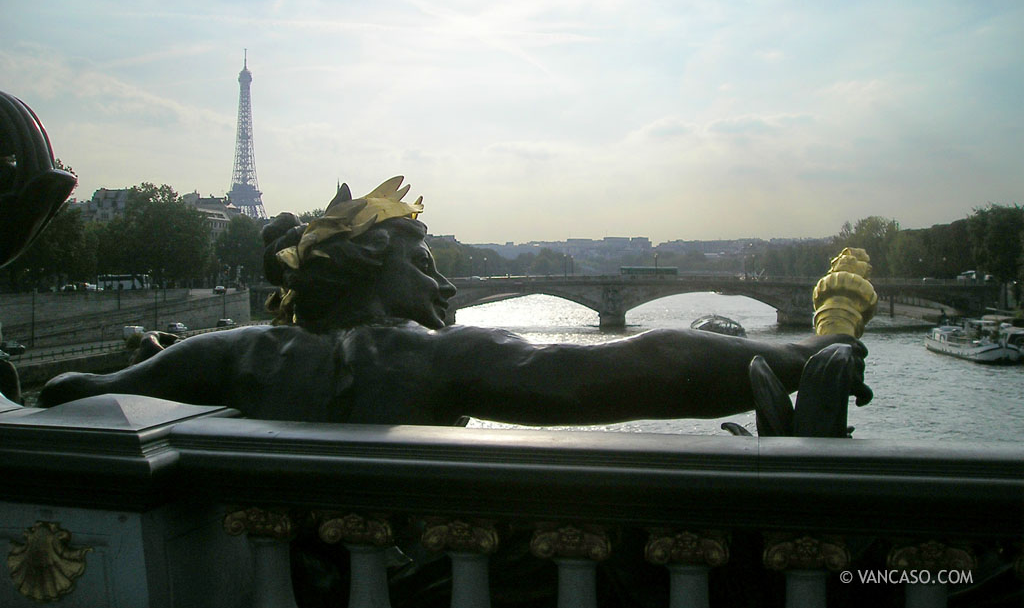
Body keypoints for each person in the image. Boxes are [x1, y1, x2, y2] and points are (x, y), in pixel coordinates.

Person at [38, 177, 870, 422]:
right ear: (370, 266)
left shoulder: (238, 353)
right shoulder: (428, 357)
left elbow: (72, 397)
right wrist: (807, 348)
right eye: (426, 261)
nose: (444, 286)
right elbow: (637, 369)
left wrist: (149, 361)